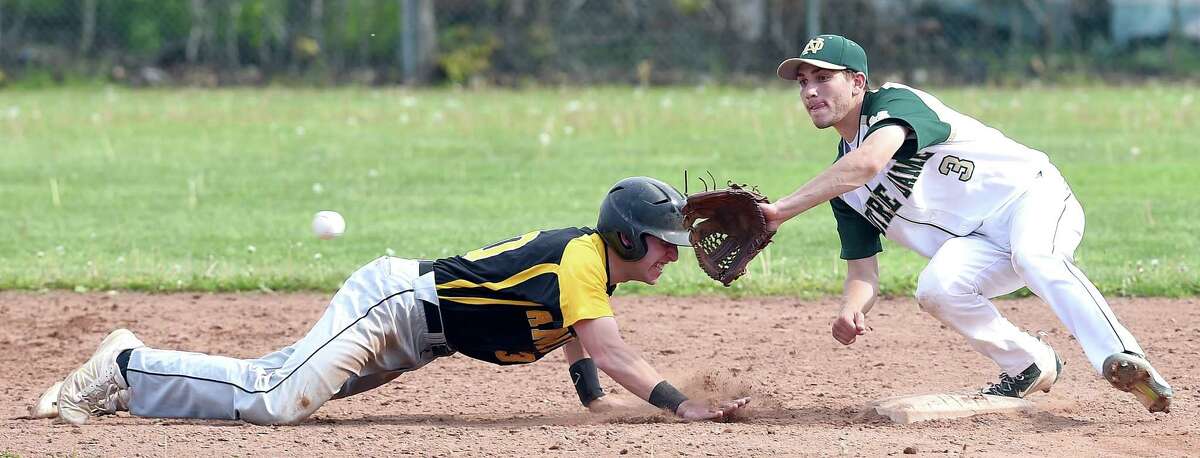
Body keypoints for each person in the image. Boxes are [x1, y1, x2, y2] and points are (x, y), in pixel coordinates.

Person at [35, 176, 750, 425]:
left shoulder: (591, 269)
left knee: (276, 386)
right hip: (394, 308)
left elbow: (572, 333)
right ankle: (127, 365)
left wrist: (592, 399)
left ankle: (128, 390)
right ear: (627, 236)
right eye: (662, 243)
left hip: (413, 336)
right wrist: (677, 403)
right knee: (278, 398)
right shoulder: (580, 259)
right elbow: (607, 345)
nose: (671, 254)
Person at [764, 34, 1172, 412]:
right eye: (802, 82)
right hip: (978, 241)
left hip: (1030, 197)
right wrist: (851, 309)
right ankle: (1029, 363)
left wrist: (780, 211)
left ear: (857, 82)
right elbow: (863, 271)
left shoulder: (894, 104)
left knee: (1034, 256)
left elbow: (869, 162)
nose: (810, 90)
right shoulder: (842, 184)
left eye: (822, 77)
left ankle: (1122, 356)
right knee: (936, 289)